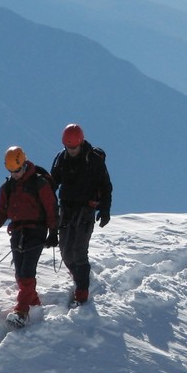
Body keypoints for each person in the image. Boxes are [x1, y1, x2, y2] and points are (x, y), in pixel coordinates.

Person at [0, 146, 58, 326]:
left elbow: (51, 208)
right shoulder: (7, 187)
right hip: (17, 232)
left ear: (24, 164)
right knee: (19, 274)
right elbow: (3, 209)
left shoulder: (39, 183)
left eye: (17, 170)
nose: (14, 174)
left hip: (37, 231)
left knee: (27, 272)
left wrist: (54, 231)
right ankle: (34, 305)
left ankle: (22, 311)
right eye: (11, 171)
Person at [51, 123, 113, 305]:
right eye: (68, 147)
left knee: (79, 251)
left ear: (80, 143)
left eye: (73, 147)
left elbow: (105, 186)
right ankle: (80, 276)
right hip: (66, 209)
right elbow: (52, 183)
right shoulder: (61, 158)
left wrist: (105, 209)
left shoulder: (93, 160)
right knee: (65, 251)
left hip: (86, 210)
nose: (71, 150)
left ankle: (82, 292)